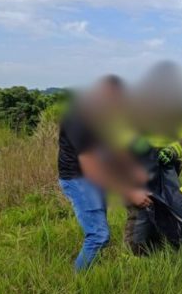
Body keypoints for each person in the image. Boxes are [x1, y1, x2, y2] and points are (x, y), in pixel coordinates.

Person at [57, 76, 151, 271]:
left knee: (99, 227)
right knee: (99, 235)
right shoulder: (78, 119)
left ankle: (91, 268)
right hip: (78, 179)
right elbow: (91, 166)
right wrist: (130, 192)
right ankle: (78, 279)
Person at [124, 129, 182, 254]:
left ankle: (177, 252)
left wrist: (172, 151)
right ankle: (135, 257)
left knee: (175, 213)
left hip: (165, 172)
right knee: (141, 217)